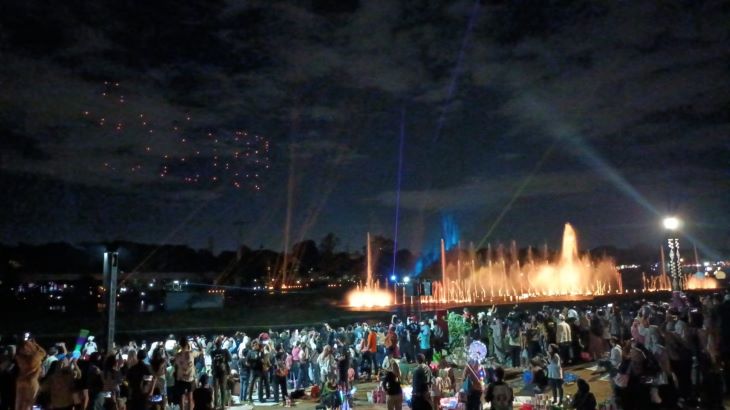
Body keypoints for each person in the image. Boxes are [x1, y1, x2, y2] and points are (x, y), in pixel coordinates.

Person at [174, 338, 198, 410]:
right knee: (190, 397)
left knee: (182, 397)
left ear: (180, 345)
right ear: (187, 344)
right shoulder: (191, 353)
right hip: (190, 378)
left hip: (181, 378)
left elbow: (176, 365)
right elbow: (200, 352)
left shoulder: (177, 355)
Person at [210, 337, 231, 409]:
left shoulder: (212, 352)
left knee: (216, 389)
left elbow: (212, 361)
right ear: (221, 343)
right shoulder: (225, 351)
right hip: (223, 371)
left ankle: (216, 405)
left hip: (216, 371)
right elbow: (229, 359)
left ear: (215, 344)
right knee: (222, 389)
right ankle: (222, 405)